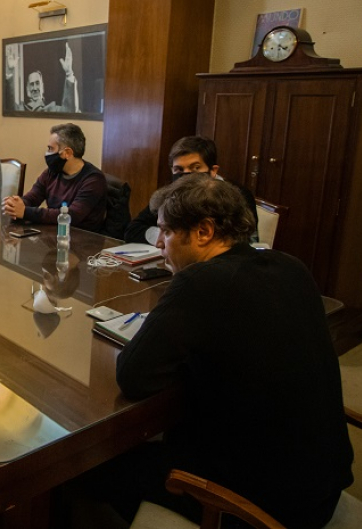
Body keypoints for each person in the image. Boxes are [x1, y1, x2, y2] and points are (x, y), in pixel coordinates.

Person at [88, 174, 353, 527]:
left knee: (94, 465)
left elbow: (133, 376)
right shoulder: (292, 266)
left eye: (166, 232)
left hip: (260, 508)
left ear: (204, 231)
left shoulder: (199, 283)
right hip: (322, 485)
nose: (160, 245)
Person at [124, 136, 258, 245]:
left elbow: (243, 241)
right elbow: (133, 230)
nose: (186, 176)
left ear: (213, 171)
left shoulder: (237, 195)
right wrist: (169, 238)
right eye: (179, 170)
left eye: (195, 168)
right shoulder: (170, 193)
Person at [3, 123, 107, 232]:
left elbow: (71, 216)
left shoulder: (94, 179)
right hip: (54, 236)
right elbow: (32, 198)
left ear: (67, 153)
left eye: (50, 149)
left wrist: (25, 211)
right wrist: (15, 204)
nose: (47, 153)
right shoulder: (51, 173)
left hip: (83, 241)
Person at [6, 42, 80, 113]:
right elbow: (9, 108)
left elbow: (68, 111)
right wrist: (9, 72)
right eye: (32, 84)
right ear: (27, 89)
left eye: (37, 83)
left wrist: (69, 73)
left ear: (42, 87)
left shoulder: (51, 109)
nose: (35, 88)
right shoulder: (21, 109)